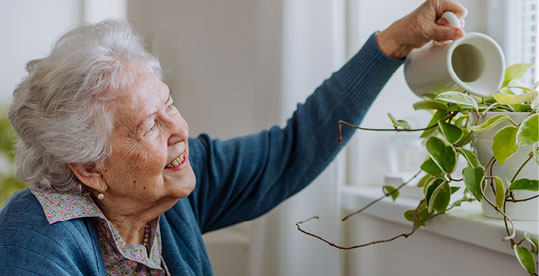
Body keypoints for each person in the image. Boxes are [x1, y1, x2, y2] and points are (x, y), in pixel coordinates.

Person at [0, 0, 467, 275]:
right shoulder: (36, 243)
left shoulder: (172, 183)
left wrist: (395, 43)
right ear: (89, 167)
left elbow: (290, 152)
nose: (178, 130)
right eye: (148, 125)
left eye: (169, 104)